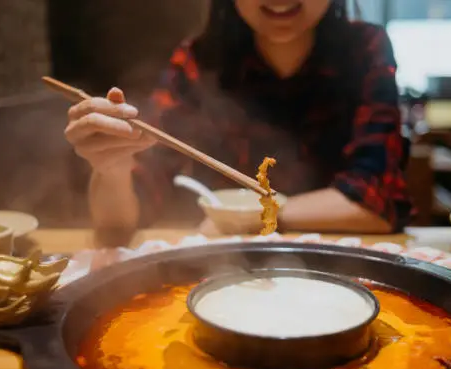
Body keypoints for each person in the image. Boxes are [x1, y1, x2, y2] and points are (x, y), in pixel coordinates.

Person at [65, 0, 412, 244]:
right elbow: (120, 223)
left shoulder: (365, 48)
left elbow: (376, 203)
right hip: (221, 270)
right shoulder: (199, 60)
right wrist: (111, 167)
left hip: (339, 269)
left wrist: (251, 215)